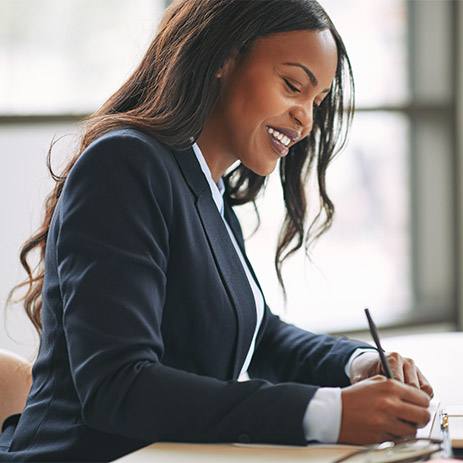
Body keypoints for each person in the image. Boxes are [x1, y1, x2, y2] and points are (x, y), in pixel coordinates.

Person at [0, 0, 433, 461]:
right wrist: (326, 413)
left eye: (316, 101)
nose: (306, 118)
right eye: (293, 85)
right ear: (224, 57)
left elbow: (260, 334)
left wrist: (355, 363)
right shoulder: (125, 166)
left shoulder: (207, 188)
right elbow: (118, 387)